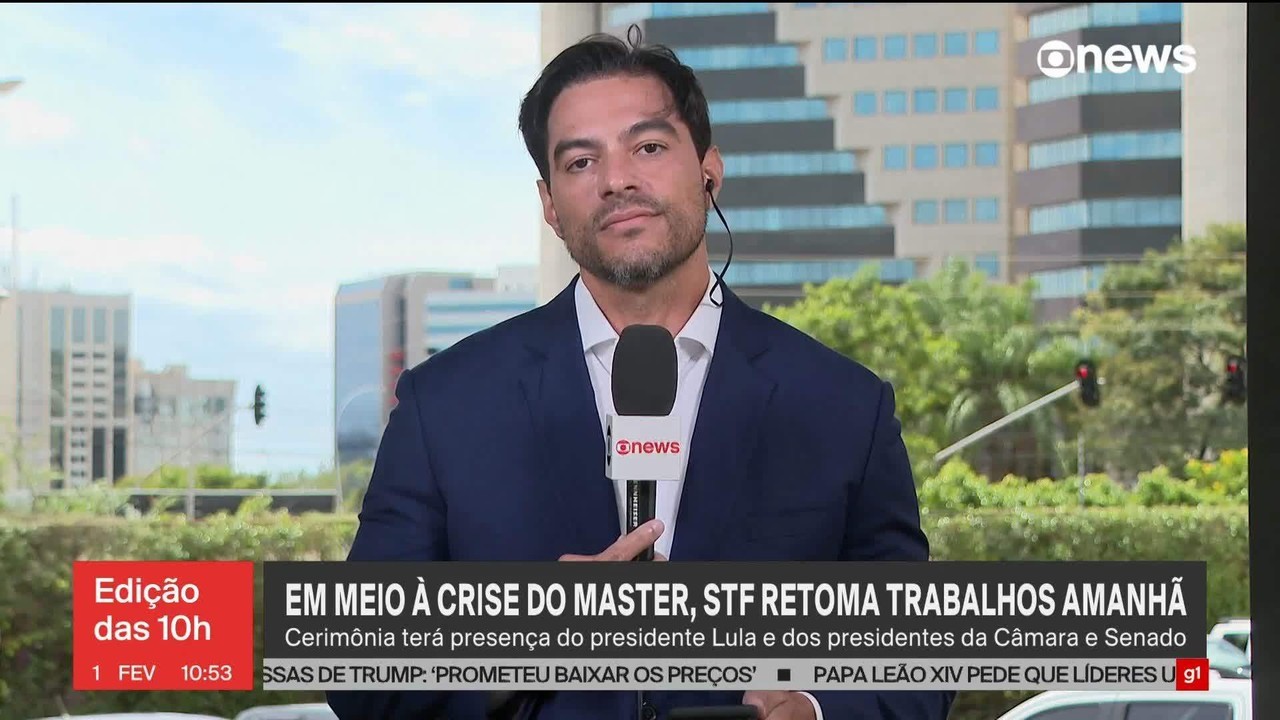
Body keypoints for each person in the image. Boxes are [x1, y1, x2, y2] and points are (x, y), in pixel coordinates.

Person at [327, 28, 954, 720]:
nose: (617, 180)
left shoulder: (844, 406)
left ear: (709, 170)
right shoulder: (444, 405)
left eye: (648, 147)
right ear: (549, 204)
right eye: (580, 161)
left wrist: (812, 706)